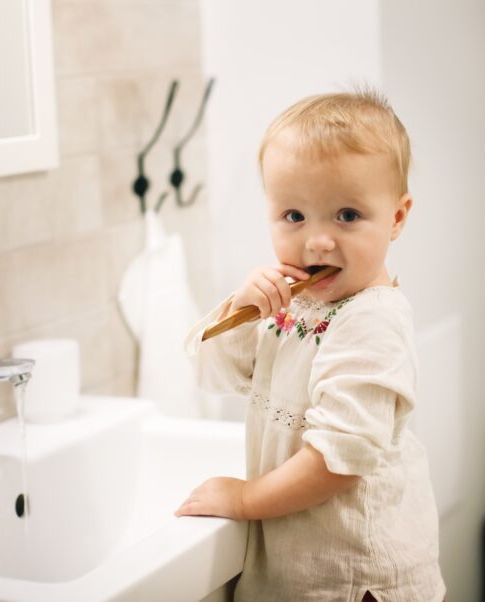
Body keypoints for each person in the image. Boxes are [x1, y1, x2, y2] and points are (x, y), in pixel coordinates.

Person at [176, 90, 446, 602]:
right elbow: (211, 372)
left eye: (346, 215)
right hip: (297, 572)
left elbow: (337, 460)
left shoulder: (373, 320)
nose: (317, 241)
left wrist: (245, 497)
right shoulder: (293, 306)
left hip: (356, 581)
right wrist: (243, 309)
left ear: (397, 216)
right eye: (294, 216)